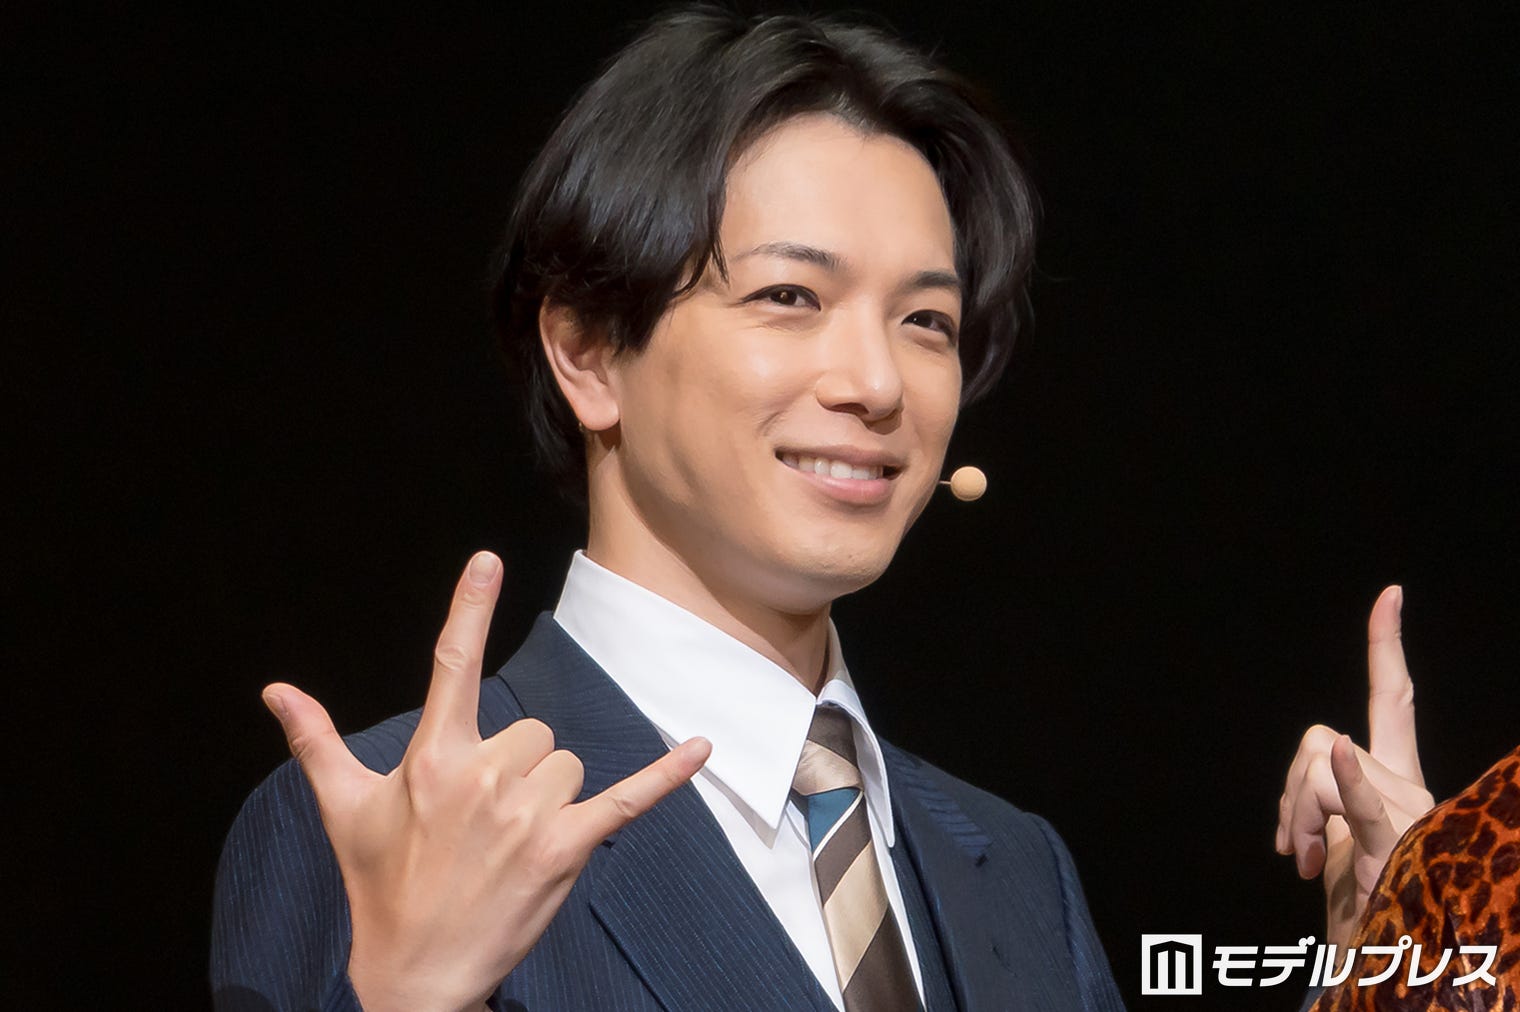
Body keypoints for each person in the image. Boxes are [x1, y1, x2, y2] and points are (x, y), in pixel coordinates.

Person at [212, 8, 1427, 1010]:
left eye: (926, 320)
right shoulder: (391, 820)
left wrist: (1396, 969)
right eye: (789, 296)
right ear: (586, 351)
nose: (877, 384)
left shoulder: (1011, 868)